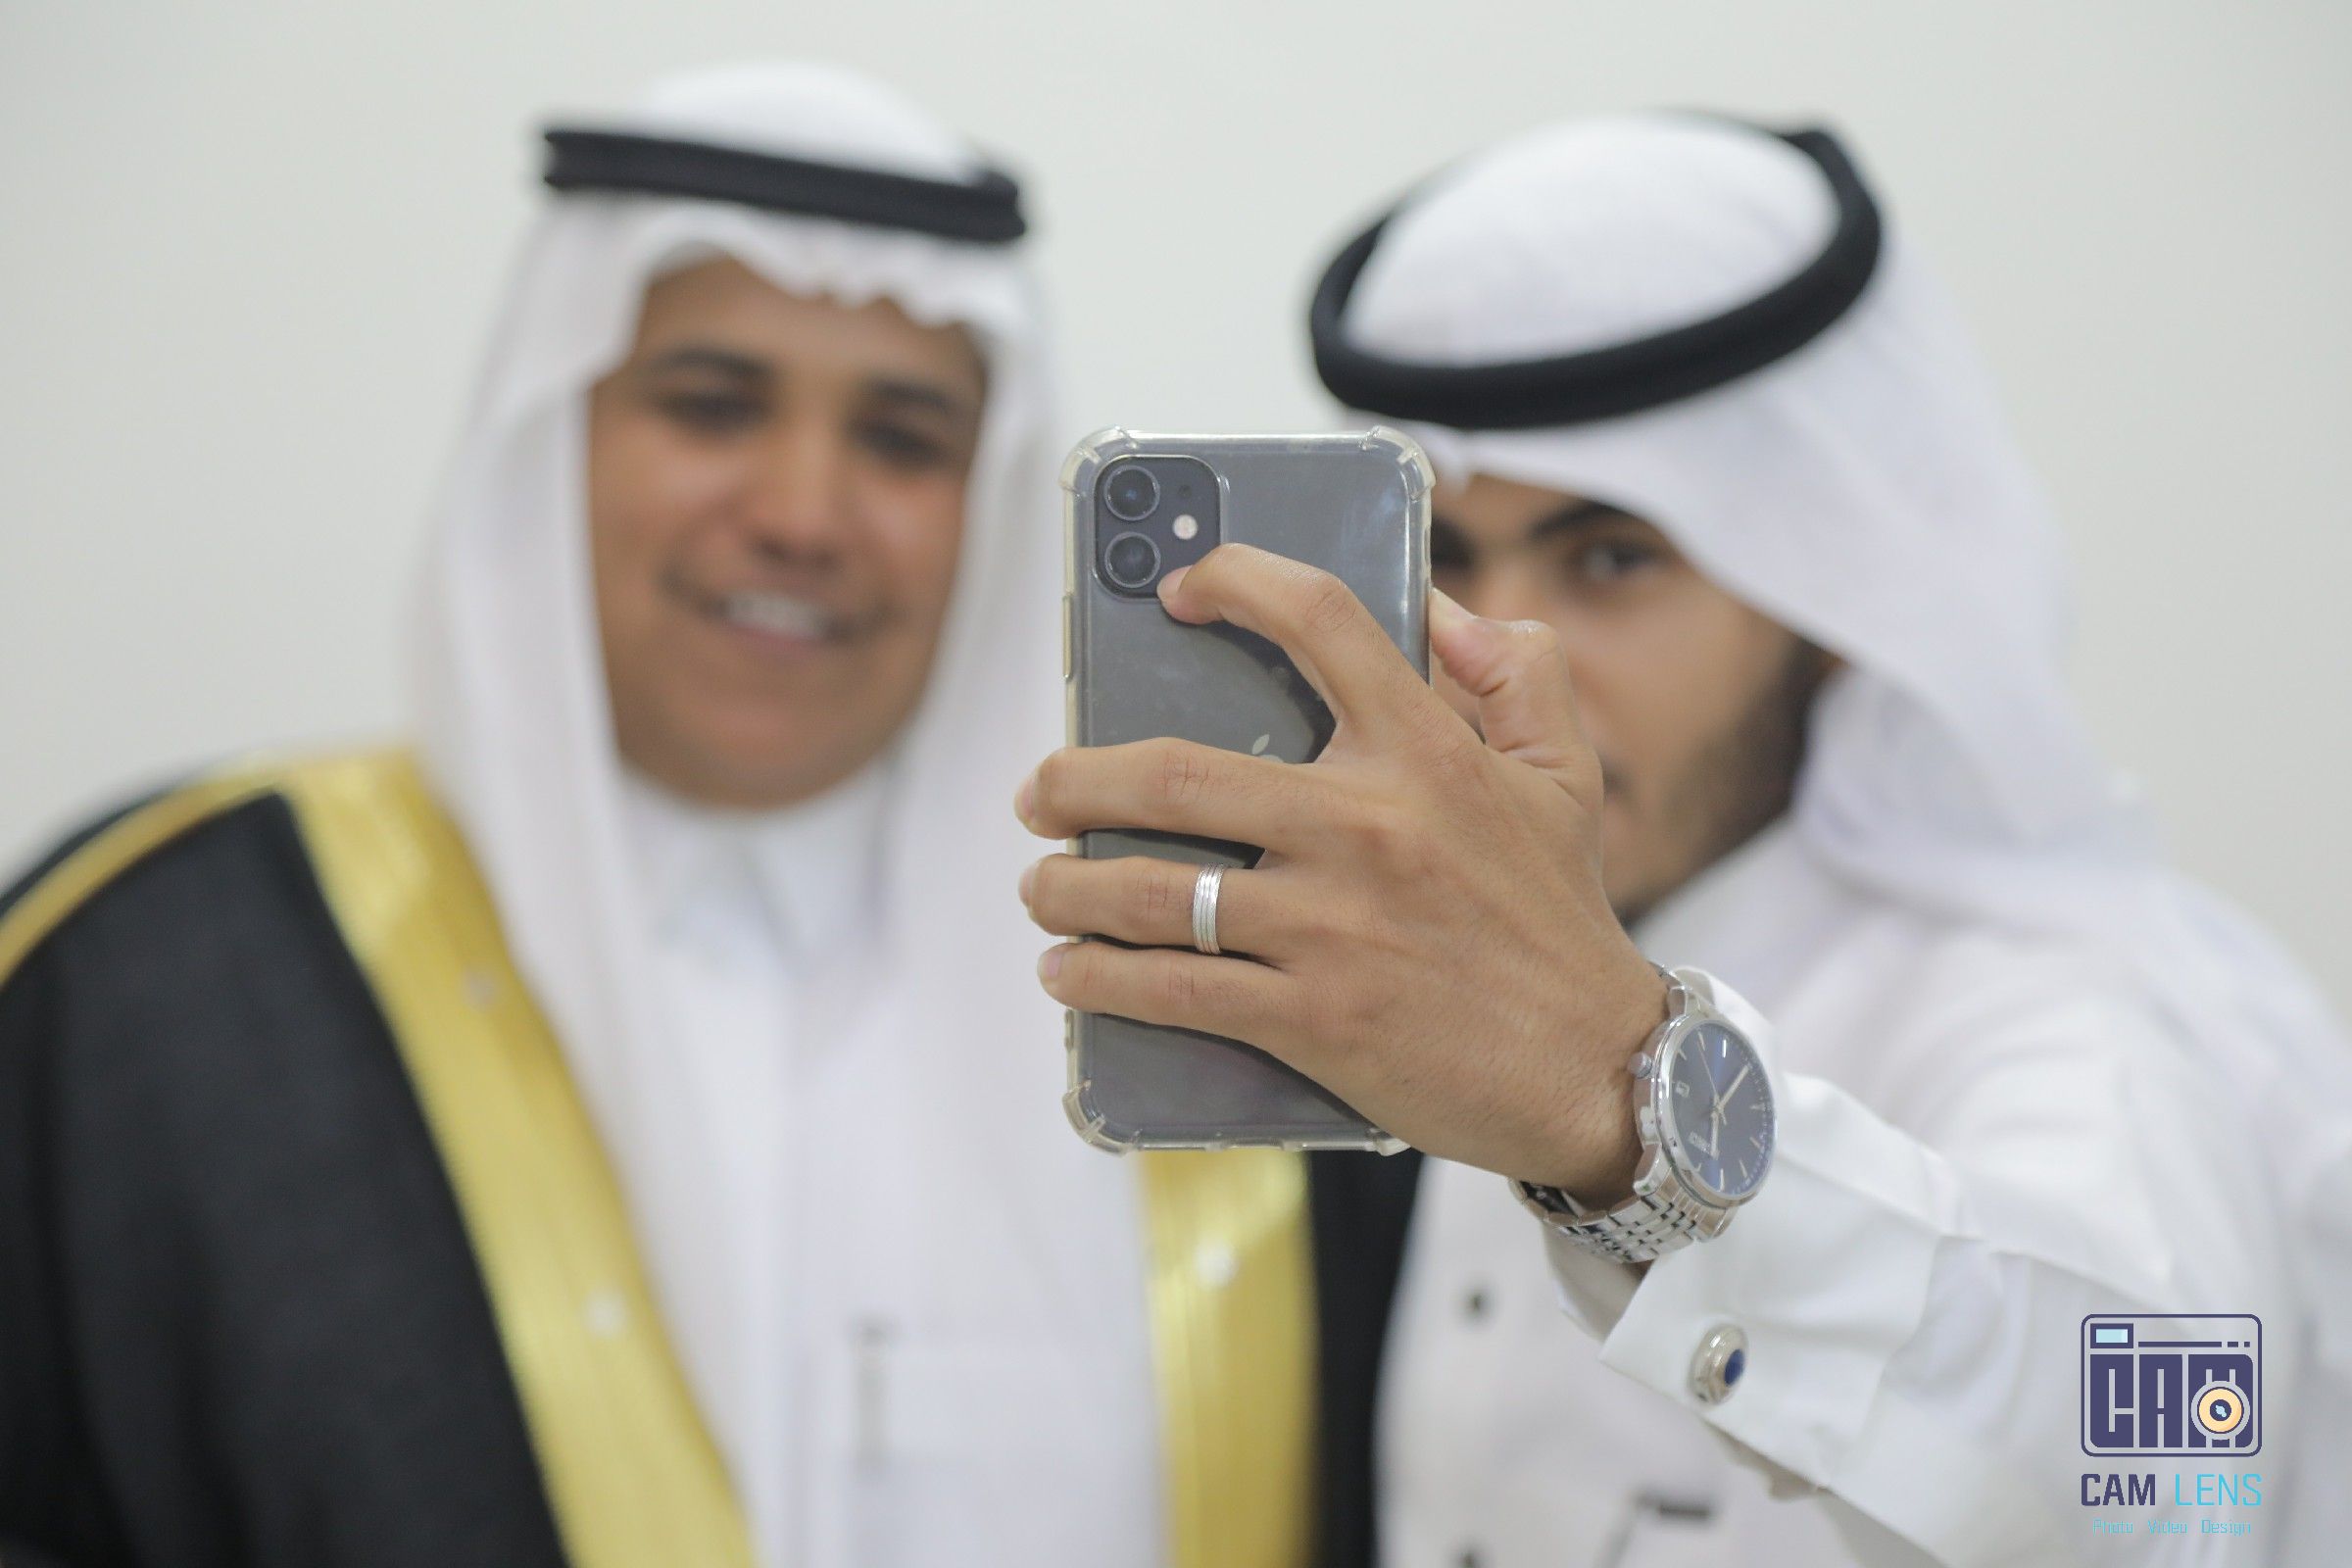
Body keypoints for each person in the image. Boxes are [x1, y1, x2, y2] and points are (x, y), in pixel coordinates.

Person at [0, 63, 1417, 1568]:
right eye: (712, 408)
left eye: (901, 440)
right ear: (553, 437)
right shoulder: (154, 979)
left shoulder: (1244, 983)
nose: (801, 514)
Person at [1017, 114, 2352, 1564]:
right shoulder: (1439, 1000)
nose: (1510, 648)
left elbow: (2168, 1496)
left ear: (1833, 599)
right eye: (1446, 560)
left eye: (1613, 558)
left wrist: (1621, 1110)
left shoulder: (2087, 1025)